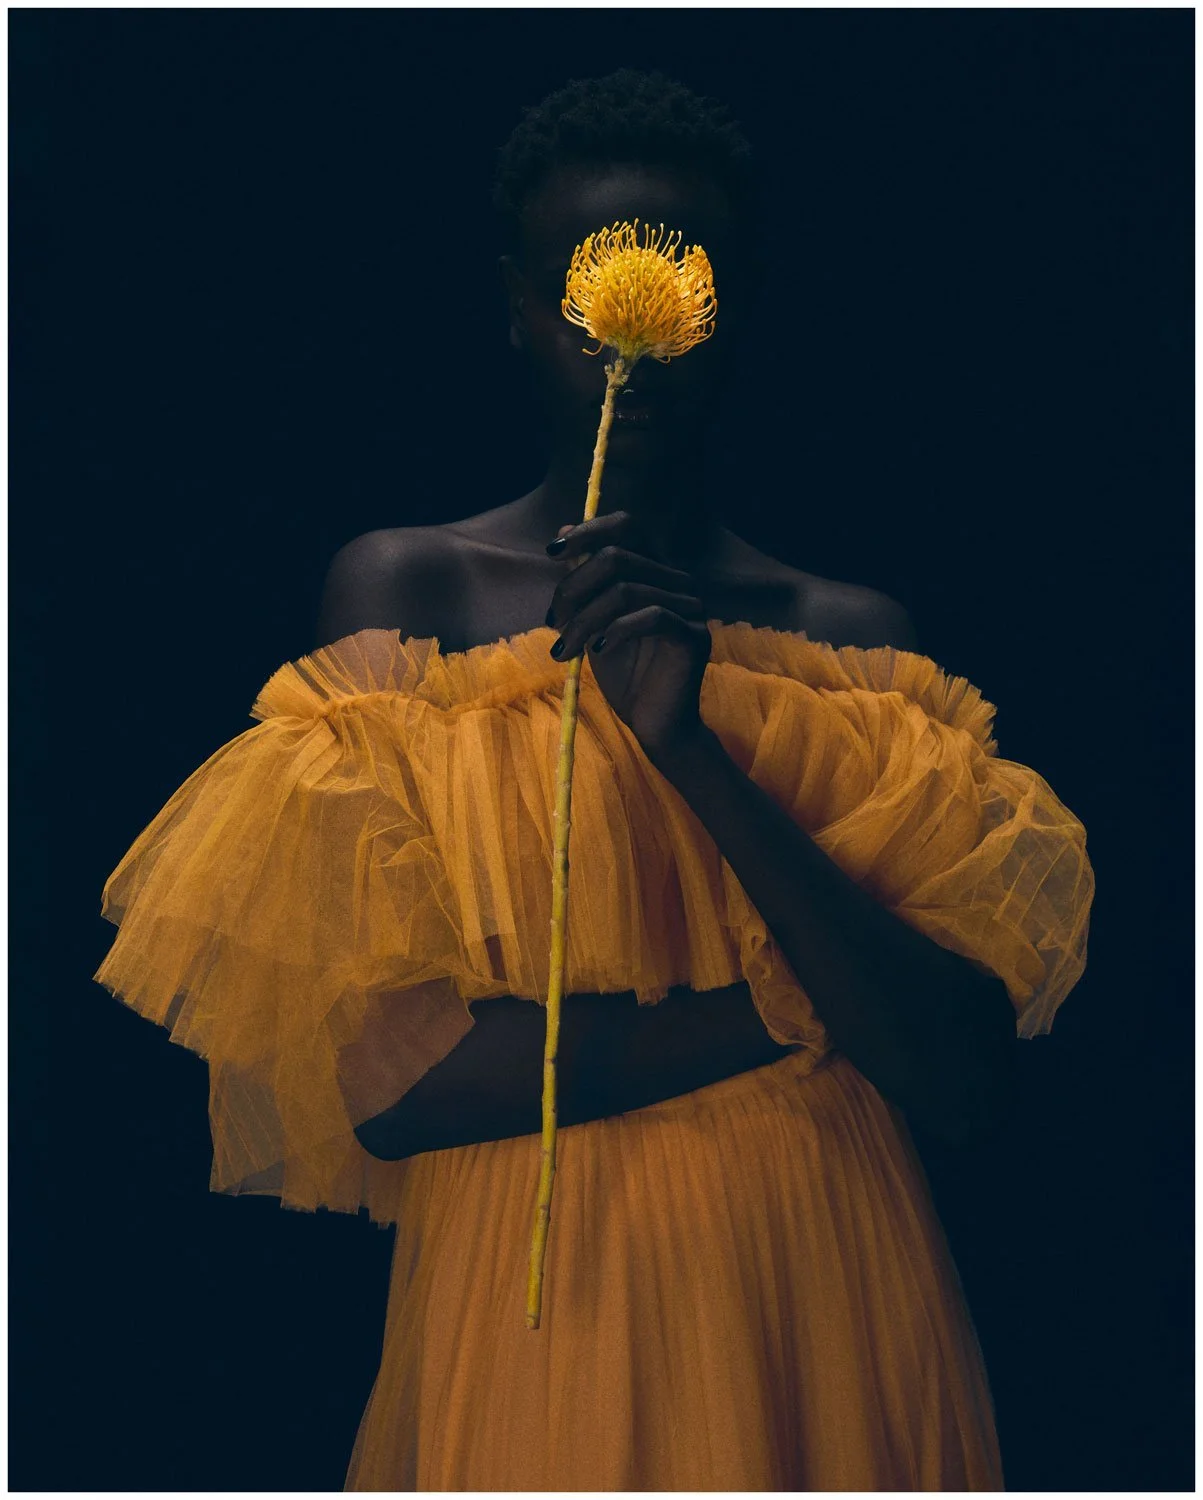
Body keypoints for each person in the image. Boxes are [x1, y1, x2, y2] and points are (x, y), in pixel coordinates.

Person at [94, 69, 1094, 1491]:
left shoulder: (855, 644)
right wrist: (791, 1006)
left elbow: (958, 1080)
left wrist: (687, 744)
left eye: (684, 275)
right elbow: (401, 1084)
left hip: (834, 1292)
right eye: (581, 280)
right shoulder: (409, 592)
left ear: (734, 311)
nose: (625, 331)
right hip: (536, 1305)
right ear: (517, 306)